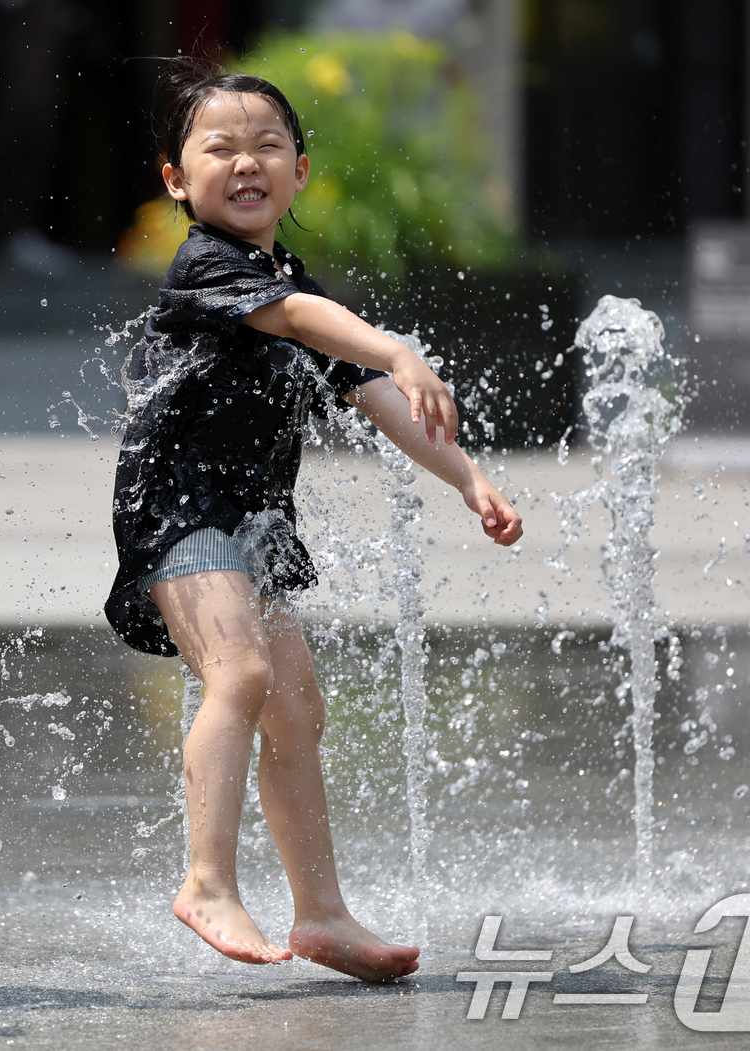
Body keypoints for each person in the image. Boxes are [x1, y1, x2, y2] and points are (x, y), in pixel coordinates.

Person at [103, 61, 524, 981]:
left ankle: (322, 913)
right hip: (180, 512)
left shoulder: (291, 277)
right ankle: (207, 879)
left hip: (250, 518)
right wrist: (398, 343)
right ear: (176, 179)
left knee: (297, 708)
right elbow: (308, 323)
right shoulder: (208, 265)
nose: (246, 163)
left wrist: (465, 476)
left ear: (300, 170)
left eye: (268, 147)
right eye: (221, 149)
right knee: (243, 672)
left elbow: (373, 393)